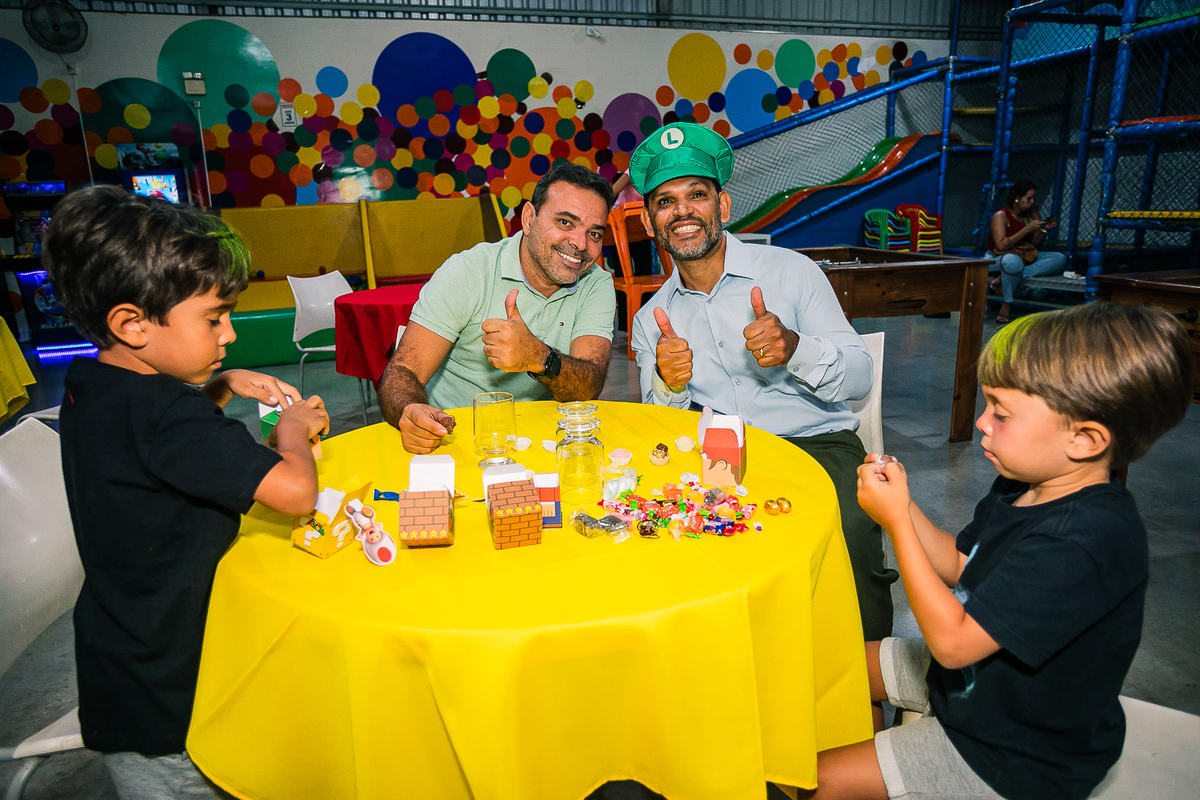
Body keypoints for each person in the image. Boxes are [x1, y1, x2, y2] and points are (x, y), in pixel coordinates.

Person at [808, 303, 1193, 800]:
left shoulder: (1086, 539)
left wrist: (898, 524)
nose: (982, 422)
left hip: (1014, 751)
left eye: (1002, 414)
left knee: (817, 781)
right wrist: (901, 507)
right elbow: (959, 564)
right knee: (819, 661)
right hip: (973, 688)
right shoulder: (1025, 484)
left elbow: (953, 642)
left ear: (1084, 439)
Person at [42, 185, 329, 799]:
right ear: (131, 323)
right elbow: (295, 492)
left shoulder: (95, 381)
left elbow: (156, 447)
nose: (229, 335)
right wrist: (293, 430)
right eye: (213, 318)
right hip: (170, 691)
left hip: (121, 652)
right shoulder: (166, 414)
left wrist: (220, 385)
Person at [627, 122, 898, 642]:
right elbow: (660, 421)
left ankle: (869, 670)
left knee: (849, 530)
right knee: (675, 541)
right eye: (665, 202)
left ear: (723, 206)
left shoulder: (792, 272)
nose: (682, 211)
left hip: (815, 443)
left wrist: (795, 348)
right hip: (715, 456)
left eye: (697, 195)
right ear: (649, 221)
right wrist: (667, 381)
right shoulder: (651, 318)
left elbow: (860, 376)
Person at [378, 163, 617, 454]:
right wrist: (412, 410)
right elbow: (403, 371)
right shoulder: (468, 271)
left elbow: (589, 385)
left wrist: (539, 357)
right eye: (565, 222)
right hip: (454, 440)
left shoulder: (596, 283)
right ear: (528, 219)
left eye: (594, 234)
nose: (580, 243)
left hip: (542, 442)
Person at [987, 180, 1067, 324]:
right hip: (997, 258)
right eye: (1029, 198)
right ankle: (1006, 303)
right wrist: (1026, 229)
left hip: (1024, 256)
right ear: (1017, 198)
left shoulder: (1033, 215)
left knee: (1059, 258)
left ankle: (1007, 276)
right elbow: (1001, 246)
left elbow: (1034, 246)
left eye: (1034, 198)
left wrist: (1043, 230)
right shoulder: (1001, 216)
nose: (1032, 202)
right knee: (1012, 261)